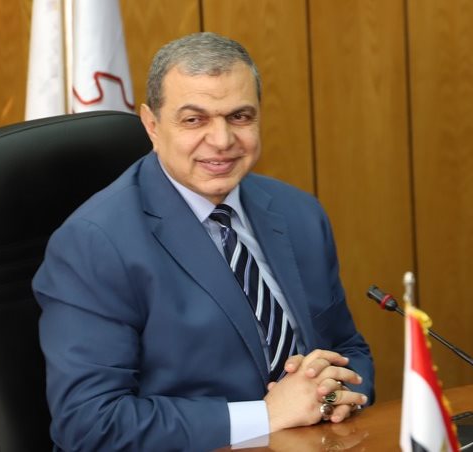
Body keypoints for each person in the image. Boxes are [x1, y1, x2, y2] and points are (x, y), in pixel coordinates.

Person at [33, 32, 374, 451]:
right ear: (152, 125)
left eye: (240, 117)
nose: (222, 141)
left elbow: (346, 348)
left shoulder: (298, 213)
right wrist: (266, 416)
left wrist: (332, 396)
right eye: (194, 120)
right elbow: (89, 423)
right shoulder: (93, 244)